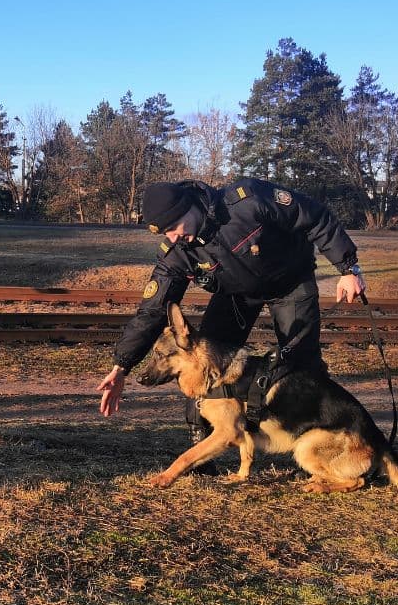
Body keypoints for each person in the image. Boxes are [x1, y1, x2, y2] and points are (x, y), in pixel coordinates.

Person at [96, 178, 366, 434]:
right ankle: (200, 444)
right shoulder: (177, 252)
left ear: (188, 207)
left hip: (291, 282)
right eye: (165, 232)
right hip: (235, 295)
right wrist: (122, 366)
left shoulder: (246, 201)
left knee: (301, 365)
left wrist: (348, 268)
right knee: (204, 358)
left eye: (173, 226)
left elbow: (313, 216)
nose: (173, 238)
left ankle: (318, 433)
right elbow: (153, 310)